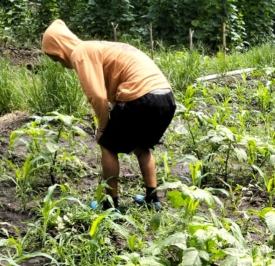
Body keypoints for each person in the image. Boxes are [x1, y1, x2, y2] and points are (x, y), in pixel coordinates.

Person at [41, 19, 176, 210]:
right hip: (165, 98)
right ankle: (152, 200)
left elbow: (97, 95)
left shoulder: (81, 53)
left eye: (56, 58)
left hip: (140, 97)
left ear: (61, 47)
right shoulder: (100, 47)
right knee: (142, 146)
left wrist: (102, 127)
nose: (61, 64)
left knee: (107, 146)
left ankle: (111, 206)